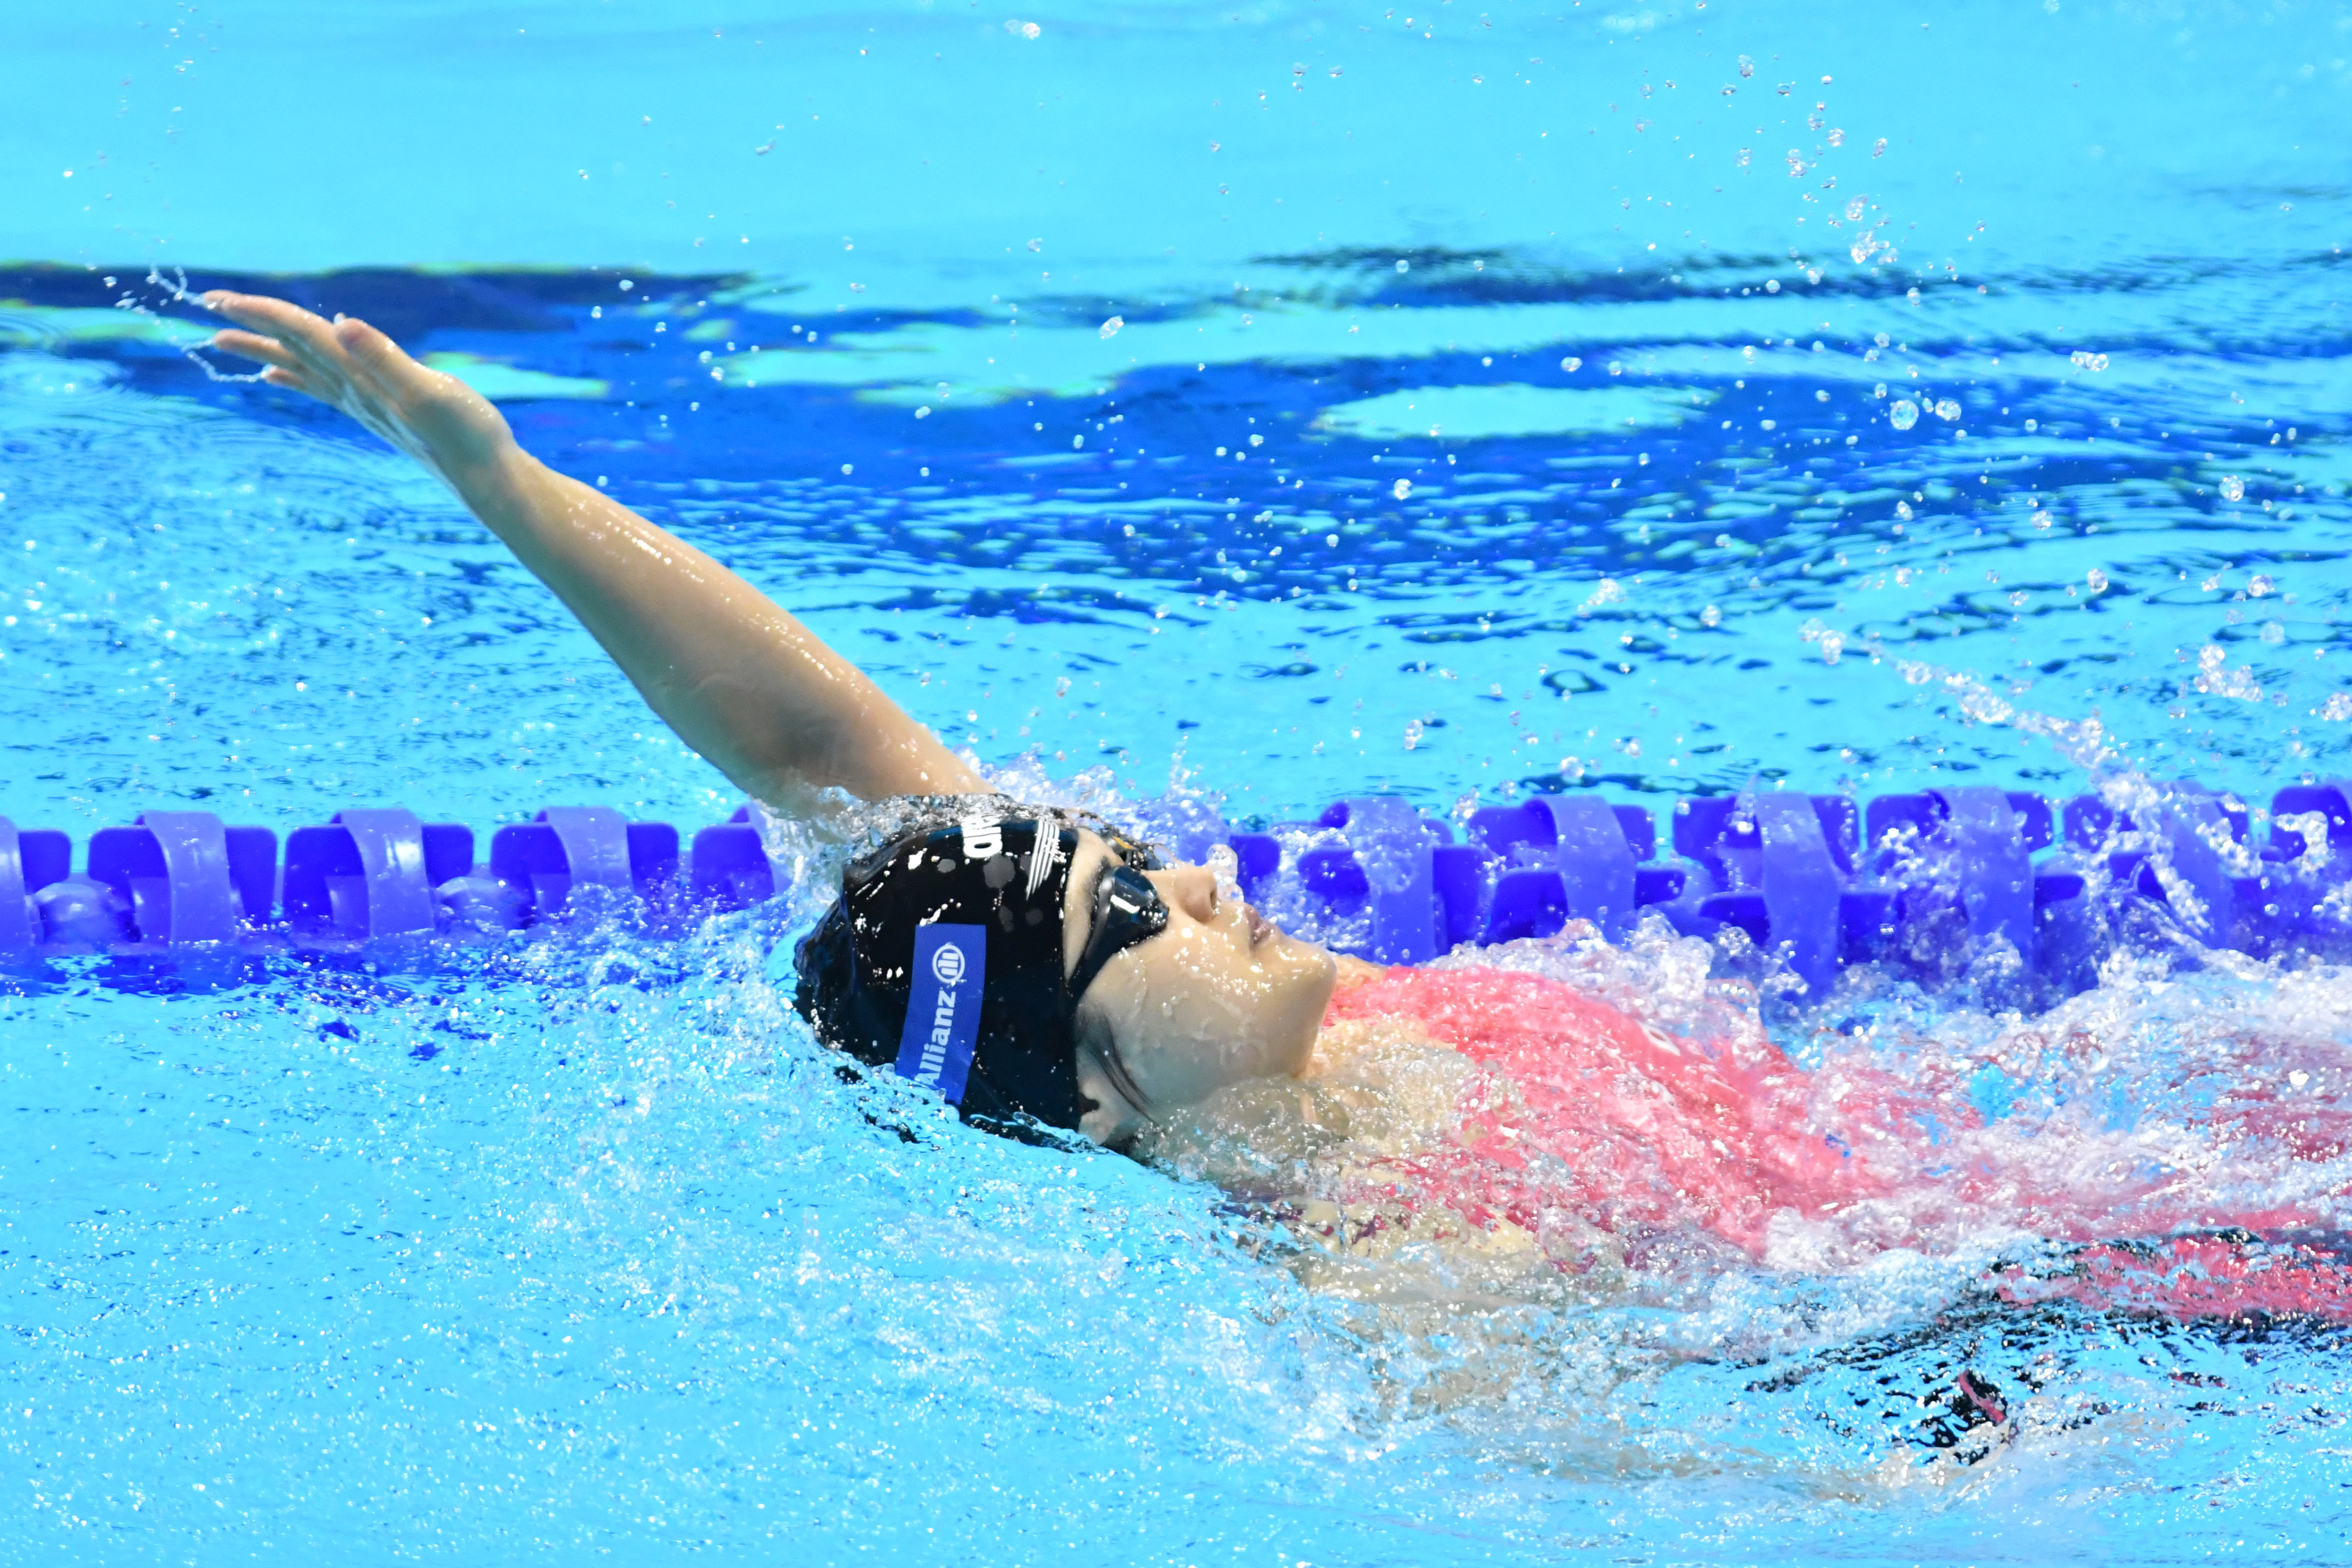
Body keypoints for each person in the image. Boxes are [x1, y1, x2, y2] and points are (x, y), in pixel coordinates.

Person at [206, 294, 2352, 1332]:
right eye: (1140, 904)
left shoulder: (1220, 1044)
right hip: (2083, 1282)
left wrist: (487, 475)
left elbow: (808, 761)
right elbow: (1633, 1488)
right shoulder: (1396, 1259)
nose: (1198, 871)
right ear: (1110, 1093)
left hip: (2004, 1142)